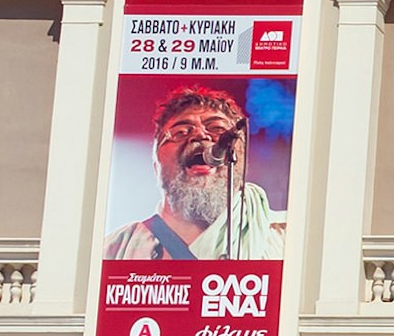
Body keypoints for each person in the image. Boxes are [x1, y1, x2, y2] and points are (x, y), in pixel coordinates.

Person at [102, 84, 281, 261]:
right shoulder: (114, 250)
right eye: (180, 132)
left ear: (242, 156)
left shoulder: (287, 239)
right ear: (156, 163)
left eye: (217, 128)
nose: (200, 135)